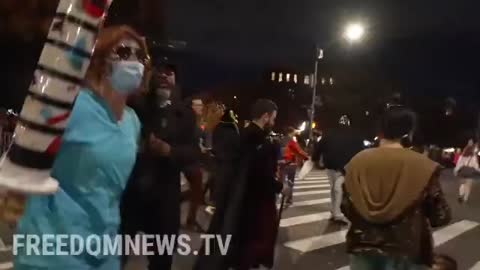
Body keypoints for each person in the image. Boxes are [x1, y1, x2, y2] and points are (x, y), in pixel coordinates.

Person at [14, 25, 148, 270]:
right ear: (101, 60)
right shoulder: (72, 108)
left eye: (141, 56)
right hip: (51, 248)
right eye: (124, 52)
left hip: (103, 249)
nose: (134, 61)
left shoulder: (132, 123)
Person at [342, 107, 451, 270]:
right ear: (408, 133)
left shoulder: (356, 163)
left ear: (380, 132)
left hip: (362, 248)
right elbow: (440, 216)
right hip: (406, 252)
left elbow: (346, 207)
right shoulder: (423, 166)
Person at [120, 57, 200, 269]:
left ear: (176, 80)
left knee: (161, 259)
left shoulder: (186, 114)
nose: (164, 76)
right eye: (160, 72)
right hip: (132, 192)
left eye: (169, 73)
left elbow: (193, 152)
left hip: (165, 196)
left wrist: (169, 151)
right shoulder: (136, 105)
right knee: (117, 253)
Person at [194, 99, 288, 270]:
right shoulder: (260, 141)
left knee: (231, 242)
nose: (273, 122)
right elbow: (262, 176)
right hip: (252, 202)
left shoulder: (242, 136)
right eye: (273, 118)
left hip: (236, 198)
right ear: (265, 117)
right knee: (247, 244)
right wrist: (280, 187)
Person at [312, 115, 364, 224]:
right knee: (337, 188)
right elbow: (361, 151)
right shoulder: (355, 135)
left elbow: (319, 147)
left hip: (331, 165)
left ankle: (335, 211)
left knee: (335, 188)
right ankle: (337, 212)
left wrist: (315, 158)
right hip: (345, 167)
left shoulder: (330, 133)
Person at [183, 96, 206, 231]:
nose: (201, 107)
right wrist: (198, 148)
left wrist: (200, 146)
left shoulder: (195, 122)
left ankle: (191, 220)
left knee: (196, 189)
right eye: (198, 105)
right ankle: (190, 221)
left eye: (201, 105)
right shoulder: (188, 121)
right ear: (191, 107)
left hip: (192, 159)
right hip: (188, 160)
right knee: (197, 188)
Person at [283, 127, 309, 206]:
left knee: (283, 181)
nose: (295, 132)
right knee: (290, 182)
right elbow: (298, 151)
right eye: (294, 131)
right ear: (290, 132)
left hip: (281, 164)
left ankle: (279, 197)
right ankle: (288, 199)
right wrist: (307, 157)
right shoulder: (291, 141)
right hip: (290, 163)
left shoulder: (281, 140)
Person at [454, 139, 479, 203]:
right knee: (468, 186)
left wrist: (456, 170)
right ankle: (465, 198)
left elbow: (459, 164)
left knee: (462, 184)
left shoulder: (462, 156)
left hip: (463, 172)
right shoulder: (473, 157)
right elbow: (476, 166)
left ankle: (461, 194)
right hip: (470, 173)